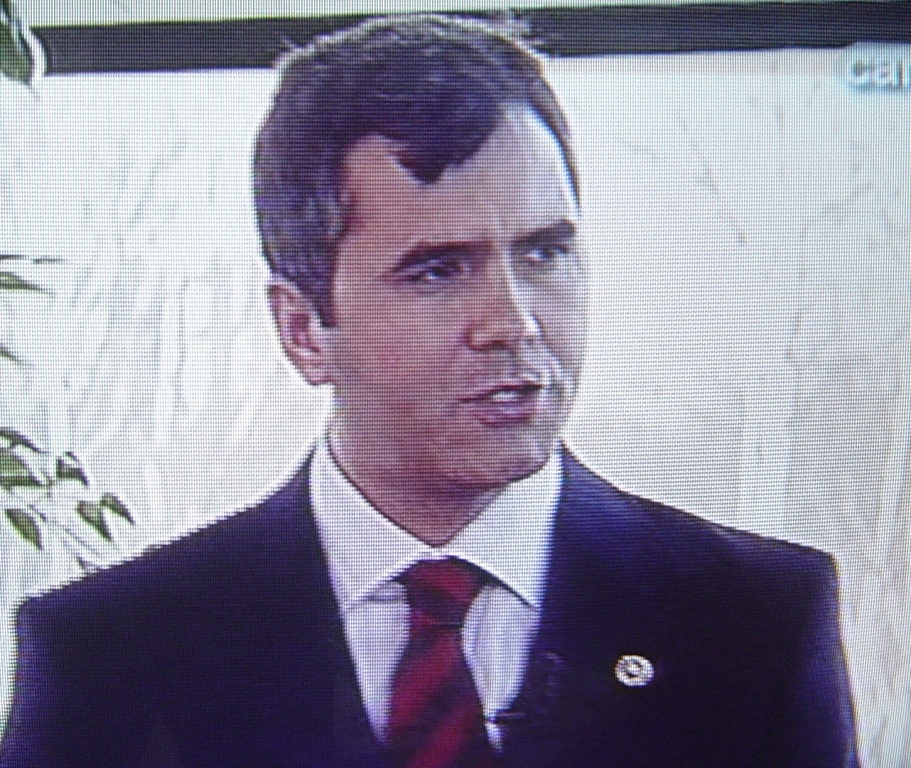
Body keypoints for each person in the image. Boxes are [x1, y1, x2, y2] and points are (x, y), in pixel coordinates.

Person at [0, 13, 857, 768]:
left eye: (545, 253)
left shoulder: (755, 623)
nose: (513, 323)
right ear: (302, 330)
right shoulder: (112, 652)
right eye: (437, 271)